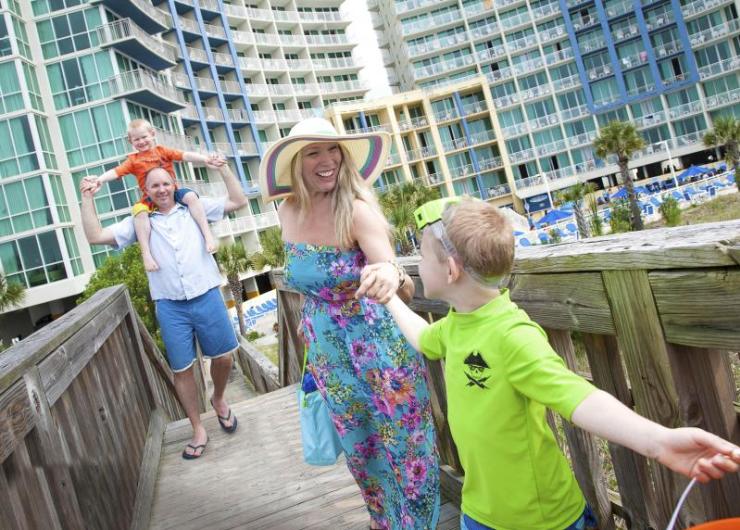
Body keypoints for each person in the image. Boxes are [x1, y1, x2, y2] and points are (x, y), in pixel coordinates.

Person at [358, 197, 740, 530]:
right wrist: (390, 298)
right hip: (480, 510)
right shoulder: (458, 323)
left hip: (538, 519)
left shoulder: (512, 335)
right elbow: (425, 340)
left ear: (451, 270)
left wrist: (659, 442)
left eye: (422, 256)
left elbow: (578, 396)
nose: (417, 266)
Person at [258, 117, 440, 529]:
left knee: (407, 453)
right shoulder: (287, 211)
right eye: (314, 152)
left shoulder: (357, 211)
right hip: (330, 357)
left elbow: (397, 278)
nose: (326, 160)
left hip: (379, 352)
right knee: (364, 454)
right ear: (297, 163)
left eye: (333, 149)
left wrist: (392, 276)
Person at [81, 163, 249, 460]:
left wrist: (223, 170)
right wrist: (87, 197)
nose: (161, 189)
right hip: (170, 305)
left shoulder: (193, 208)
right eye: (154, 186)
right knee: (182, 370)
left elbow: (238, 201)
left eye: (165, 184)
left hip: (206, 294)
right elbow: (95, 236)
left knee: (223, 357)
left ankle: (219, 398)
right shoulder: (140, 221)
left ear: (174, 185)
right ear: (145, 191)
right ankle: (197, 428)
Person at [82, 119, 224, 272]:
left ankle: (207, 235)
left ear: (152, 134)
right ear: (131, 141)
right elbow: (116, 171)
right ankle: (147, 256)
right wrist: (99, 179)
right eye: (137, 139)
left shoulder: (163, 151)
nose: (141, 142)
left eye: (144, 137)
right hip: (149, 199)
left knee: (191, 197)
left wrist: (205, 158)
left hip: (173, 193)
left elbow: (185, 155)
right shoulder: (133, 160)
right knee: (139, 212)